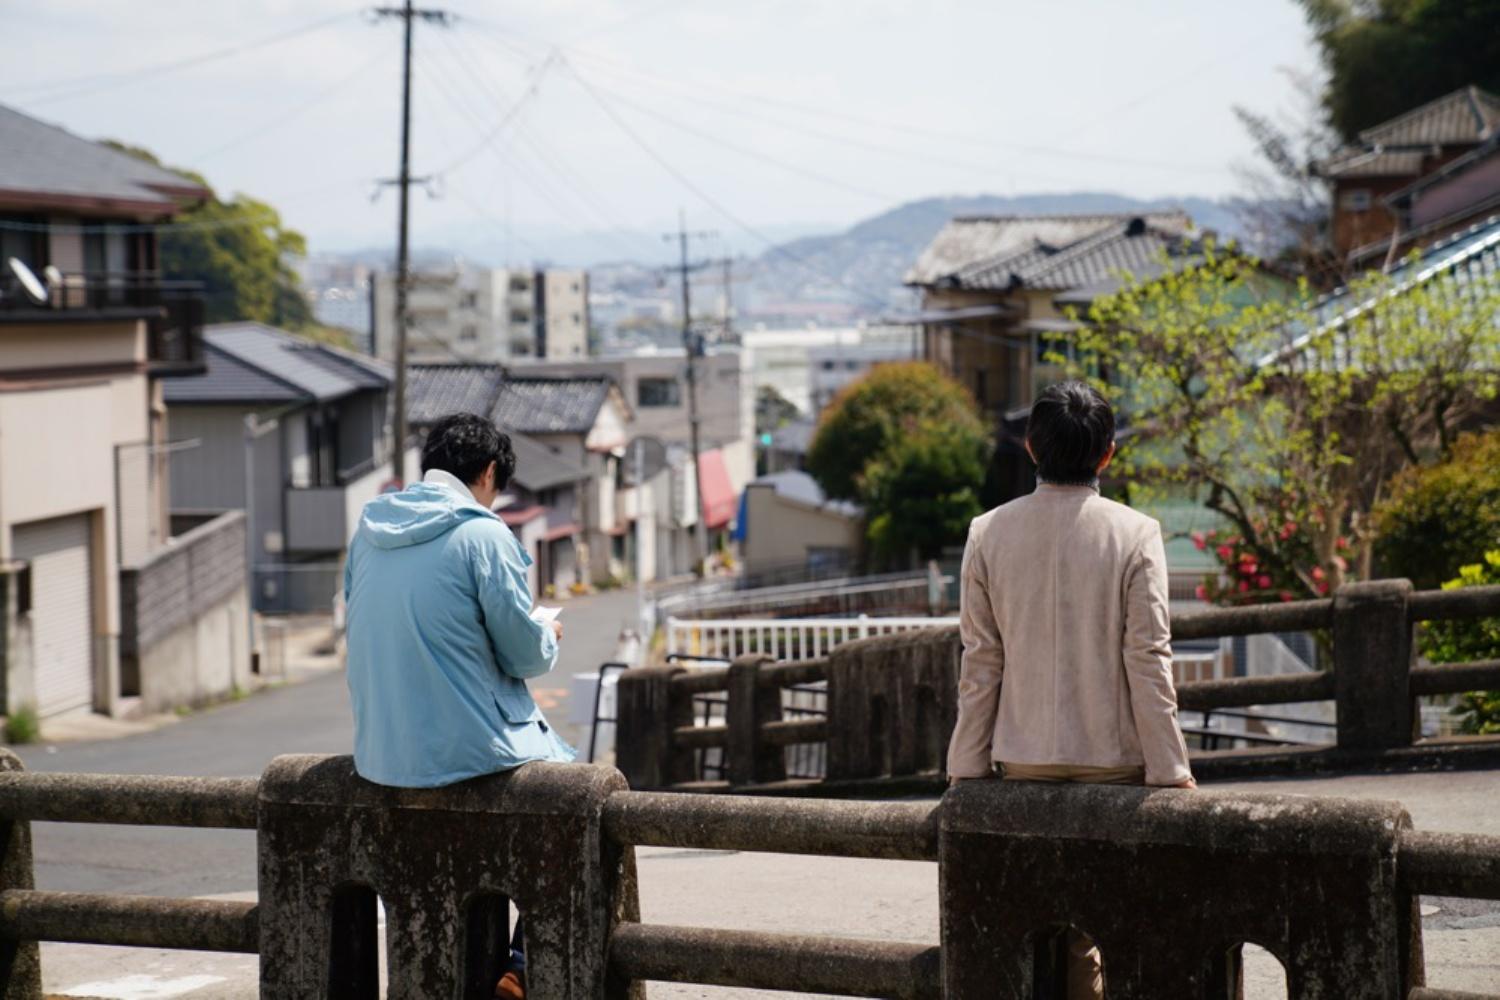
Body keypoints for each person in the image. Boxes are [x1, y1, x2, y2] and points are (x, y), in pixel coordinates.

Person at [945, 380, 1194, 1000]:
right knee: (1111, 920)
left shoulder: (987, 532)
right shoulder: (1136, 534)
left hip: (1021, 756)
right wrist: (1171, 769)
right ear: (1108, 453)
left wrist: (965, 767)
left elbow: (982, 660)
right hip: (1113, 759)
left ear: (1031, 447)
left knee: (1035, 928)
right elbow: (1148, 657)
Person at [344, 412, 569, 1000]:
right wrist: (548, 635)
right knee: (581, 805)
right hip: (464, 750)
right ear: (490, 472)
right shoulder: (483, 534)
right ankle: (520, 967)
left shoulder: (368, 532)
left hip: (378, 753)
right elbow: (524, 655)